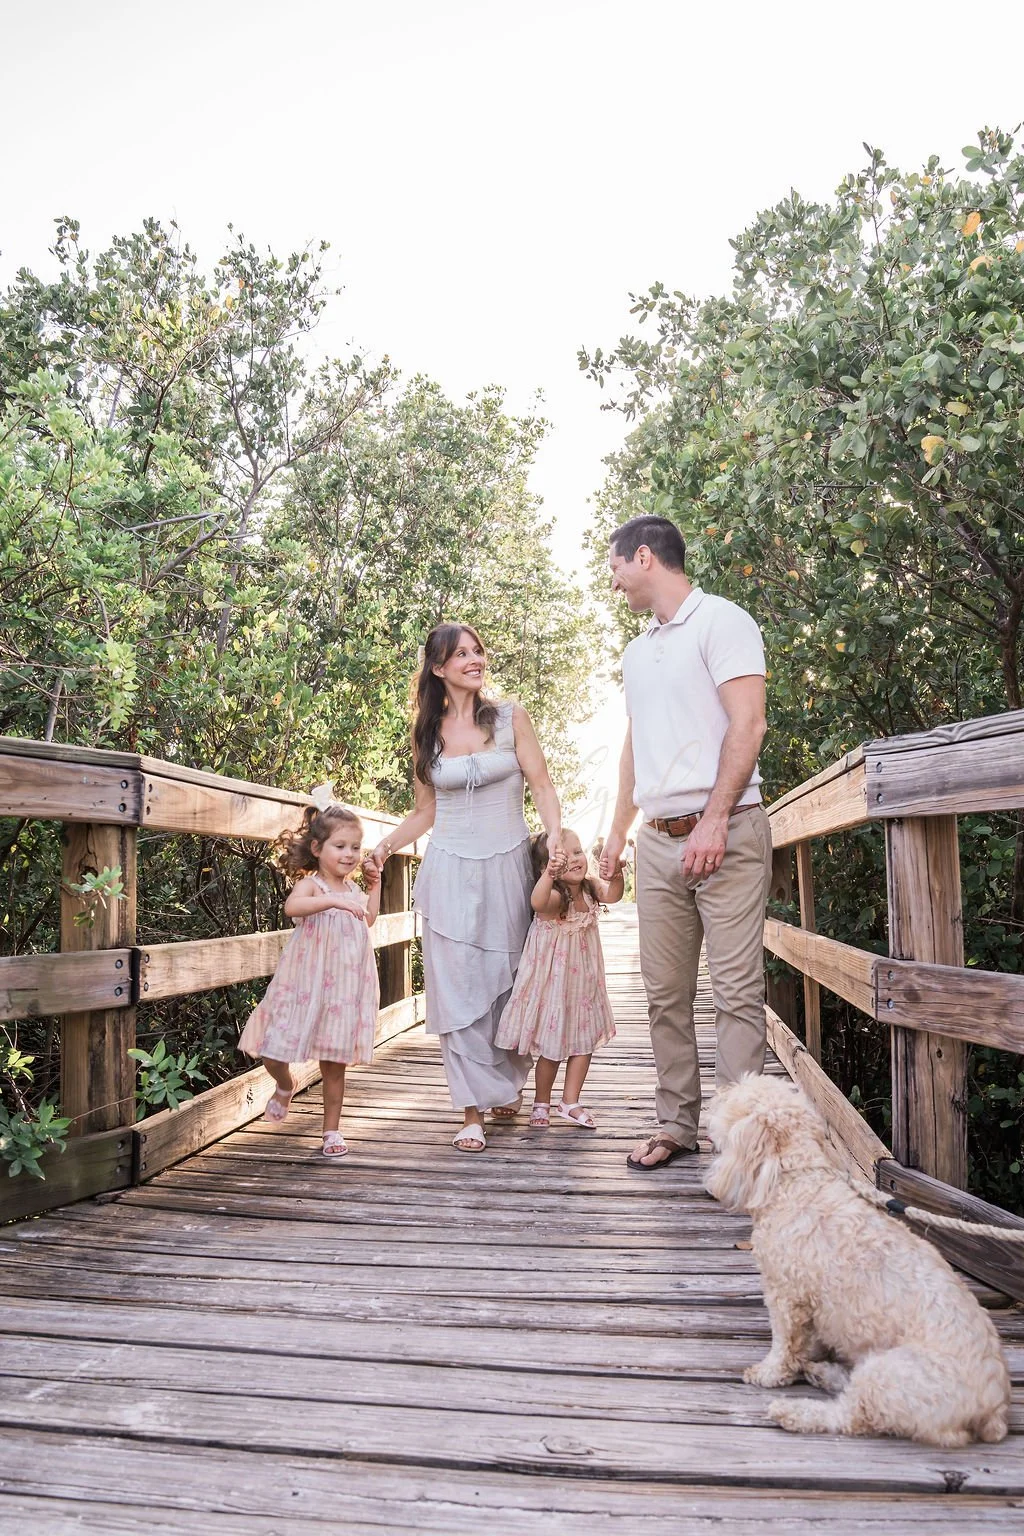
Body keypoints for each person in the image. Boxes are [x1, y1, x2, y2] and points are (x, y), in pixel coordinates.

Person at [599, 514, 771, 1171]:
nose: (613, 581)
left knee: (735, 995)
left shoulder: (723, 621)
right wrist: (615, 837)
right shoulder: (637, 650)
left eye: (615, 567)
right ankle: (677, 1125)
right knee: (664, 995)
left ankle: (740, 1147)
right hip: (659, 842)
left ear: (643, 557)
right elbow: (635, 746)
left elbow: (748, 724)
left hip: (727, 832)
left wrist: (716, 819)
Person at [371, 622, 562, 1153]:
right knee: (456, 986)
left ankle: (504, 1082)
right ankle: (471, 1111)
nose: (475, 659)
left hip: (507, 868)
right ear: (438, 668)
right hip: (449, 870)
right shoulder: (426, 733)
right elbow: (425, 811)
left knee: (507, 979)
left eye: (478, 650)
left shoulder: (509, 717)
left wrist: (557, 839)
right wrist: (385, 846)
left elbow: (543, 786)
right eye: (462, 654)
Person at [238, 804, 382, 1159]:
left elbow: (370, 919)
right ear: (317, 849)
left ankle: (331, 1130)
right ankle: (285, 1085)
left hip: (341, 989)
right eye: (340, 846)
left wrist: (375, 886)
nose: (349, 854)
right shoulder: (313, 885)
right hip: (303, 985)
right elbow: (292, 907)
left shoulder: (352, 891)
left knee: (334, 1063)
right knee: (272, 1048)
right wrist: (331, 899)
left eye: (355, 847)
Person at [496, 829, 622, 1130]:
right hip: (553, 986)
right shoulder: (553, 897)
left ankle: (570, 1101)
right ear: (546, 867)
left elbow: (614, 895)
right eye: (564, 858)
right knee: (552, 1047)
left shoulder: (590, 889)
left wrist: (617, 875)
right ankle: (542, 1101)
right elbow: (537, 902)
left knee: (584, 1043)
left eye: (578, 852)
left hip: (585, 986)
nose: (576, 860)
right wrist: (549, 877)